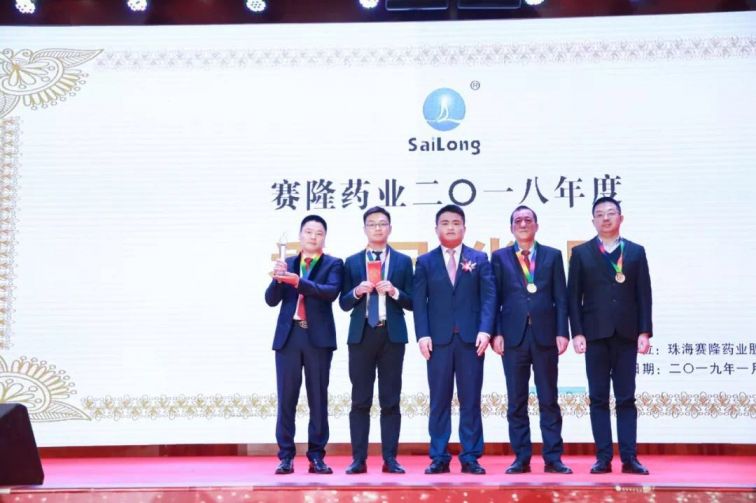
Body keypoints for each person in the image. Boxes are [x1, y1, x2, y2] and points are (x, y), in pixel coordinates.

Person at [567, 196, 652, 475]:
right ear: (593, 221)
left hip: (627, 334)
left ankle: (629, 458)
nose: (606, 218)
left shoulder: (636, 252)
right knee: (599, 398)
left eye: (611, 213)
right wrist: (577, 332)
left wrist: (644, 331)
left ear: (621, 218)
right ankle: (603, 458)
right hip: (595, 335)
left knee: (626, 398)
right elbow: (573, 297)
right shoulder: (581, 253)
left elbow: (644, 294)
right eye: (600, 214)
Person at [412, 204, 496, 475]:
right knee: (439, 400)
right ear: (436, 229)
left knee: (470, 400)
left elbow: (489, 297)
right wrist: (422, 334)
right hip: (438, 342)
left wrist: (486, 330)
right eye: (445, 223)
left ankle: (470, 456)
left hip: (472, 340)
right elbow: (419, 302)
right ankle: (439, 456)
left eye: (456, 222)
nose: (451, 227)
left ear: (464, 228)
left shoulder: (479, 258)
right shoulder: (425, 262)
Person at [491, 205, 572, 475]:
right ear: (511, 227)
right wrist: (497, 333)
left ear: (536, 225)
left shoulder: (552, 255)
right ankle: (521, 458)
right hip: (513, 338)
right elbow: (495, 299)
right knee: (516, 401)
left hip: (545, 336)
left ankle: (553, 458)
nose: (523, 224)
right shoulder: (499, 257)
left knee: (548, 398)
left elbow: (561, 298)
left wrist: (562, 332)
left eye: (528, 220)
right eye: (518, 220)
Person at [265, 214, 344, 475]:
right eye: (308, 232)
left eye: (319, 233)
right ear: (300, 236)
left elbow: (330, 292)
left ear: (324, 238)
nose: (313, 237)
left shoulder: (334, 264)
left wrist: (298, 282)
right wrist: (278, 278)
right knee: (286, 398)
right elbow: (271, 300)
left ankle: (316, 457)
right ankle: (285, 457)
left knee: (318, 399)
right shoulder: (287, 263)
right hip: (289, 338)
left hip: (317, 339)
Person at [339, 206, 414, 475]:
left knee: (390, 400)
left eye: (382, 223)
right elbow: (343, 303)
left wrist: (394, 292)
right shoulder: (352, 262)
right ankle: (358, 460)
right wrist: (357, 292)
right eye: (372, 224)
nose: (378, 228)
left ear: (390, 228)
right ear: (365, 229)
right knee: (360, 400)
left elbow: (413, 302)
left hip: (392, 335)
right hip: (361, 336)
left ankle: (390, 459)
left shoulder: (403, 261)